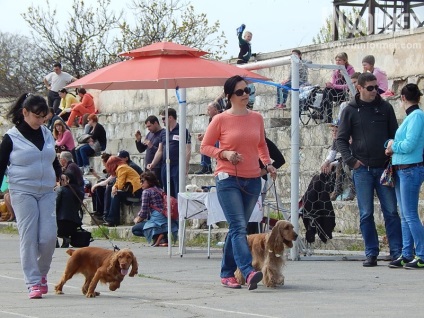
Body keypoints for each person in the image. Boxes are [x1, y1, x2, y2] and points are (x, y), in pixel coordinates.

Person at [200, 75, 277, 290]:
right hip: (227, 178)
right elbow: (205, 147)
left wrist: (268, 164)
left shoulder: (257, 118)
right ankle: (248, 270)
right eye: (240, 92)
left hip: (253, 179)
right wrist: (225, 153)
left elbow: (261, 145)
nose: (245, 95)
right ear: (229, 97)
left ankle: (226, 273)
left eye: (247, 90)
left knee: (237, 229)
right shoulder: (220, 119)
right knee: (239, 226)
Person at [0, 93, 62, 299]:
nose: (41, 120)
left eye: (44, 116)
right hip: (22, 191)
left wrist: (61, 175)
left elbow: (52, 159)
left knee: (49, 237)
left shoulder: (46, 133)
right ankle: (33, 282)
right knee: (29, 237)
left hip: (46, 191)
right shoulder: (11, 137)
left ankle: (42, 273)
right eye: (37, 116)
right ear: (24, 113)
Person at [337, 72, 402, 267]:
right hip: (362, 170)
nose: (375, 91)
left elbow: (395, 135)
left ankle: (397, 251)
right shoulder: (350, 110)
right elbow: (340, 139)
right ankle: (371, 252)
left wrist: (391, 155)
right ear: (360, 88)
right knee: (366, 213)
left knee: (391, 211)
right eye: (370, 88)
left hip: (383, 169)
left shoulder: (385, 108)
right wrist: (351, 161)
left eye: (377, 87)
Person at [385, 83, 424, 269]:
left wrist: (393, 146)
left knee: (410, 214)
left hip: (411, 168)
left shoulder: (416, 116)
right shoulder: (412, 116)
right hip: (403, 168)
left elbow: (409, 145)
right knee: (404, 214)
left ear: (402, 98)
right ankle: (407, 254)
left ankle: (422, 254)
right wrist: (392, 143)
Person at [148, 108, 191, 198]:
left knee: (178, 191)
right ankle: (170, 211)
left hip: (177, 164)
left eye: (164, 118)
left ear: (170, 118)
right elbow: (160, 150)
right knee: (167, 192)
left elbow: (188, 149)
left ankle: (179, 211)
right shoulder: (163, 133)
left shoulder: (182, 130)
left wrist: (186, 165)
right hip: (165, 165)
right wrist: (153, 163)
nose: (162, 121)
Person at [247, 136, 285, 234]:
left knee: (254, 213)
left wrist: (263, 171)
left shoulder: (263, 141)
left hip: (258, 181)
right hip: (241, 179)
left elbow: (280, 160)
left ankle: (253, 240)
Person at [132, 171, 178, 246]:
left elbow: (143, 213)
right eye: (140, 181)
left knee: (135, 229)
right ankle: (163, 239)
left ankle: (157, 236)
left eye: (142, 181)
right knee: (157, 224)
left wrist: (137, 219)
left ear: (149, 181)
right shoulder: (160, 189)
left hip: (157, 219)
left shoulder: (146, 192)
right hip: (167, 219)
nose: (141, 183)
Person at [103, 156, 142, 227]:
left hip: (136, 195)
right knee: (114, 192)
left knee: (116, 194)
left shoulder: (122, 168)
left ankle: (112, 220)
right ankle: (110, 218)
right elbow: (118, 181)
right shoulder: (122, 167)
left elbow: (120, 184)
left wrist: (115, 188)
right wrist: (114, 186)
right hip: (133, 193)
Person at [316, 52, 355, 123]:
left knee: (328, 92)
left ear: (345, 61)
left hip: (345, 94)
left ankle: (323, 113)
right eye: (336, 60)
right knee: (327, 91)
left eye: (339, 60)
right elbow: (333, 83)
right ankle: (326, 116)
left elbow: (348, 86)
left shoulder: (350, 70)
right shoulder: (335, 69)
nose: (337, 62)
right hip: (335, 92)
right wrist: (330, 84)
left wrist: (333, 86)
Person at [56, 172, 84, 248]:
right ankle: (66, 238)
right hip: (74, 221)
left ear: (68, 180)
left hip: (62, 220)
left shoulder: (61, 190)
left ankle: (58, 240)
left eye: (62, 179)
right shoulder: (78, 191)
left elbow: (55, 204)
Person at [135, 115, 164, 183]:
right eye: (147, 127)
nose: (148, 128)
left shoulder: (163, 133)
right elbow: (141, 149)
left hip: (157, 167)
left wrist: (151, 146)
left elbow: (162, 151)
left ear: (156, 123)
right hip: (148, 167)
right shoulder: (149, 134)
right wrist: (138, 140)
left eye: (149, 126)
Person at [195, 101, 220, 174]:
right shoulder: (211, 119)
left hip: (221, 140)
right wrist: (203, 136)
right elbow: (210, 131)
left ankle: (218, 165)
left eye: (209, 110)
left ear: (215, 110)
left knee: (218, 143)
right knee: (205, 144)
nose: (207, 112)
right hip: (215, 140)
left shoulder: (221, 118)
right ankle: (206, 166)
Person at [90, 152, 114, 220]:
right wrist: (96, 176)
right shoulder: (107, 170)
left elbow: (109, 180)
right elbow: (104, 179)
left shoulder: (112, 168)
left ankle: (101, 211)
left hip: (112, 185)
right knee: (96, 187)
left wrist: (97, 184)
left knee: (99, 188)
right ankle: (97, 210)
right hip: (108, 184)